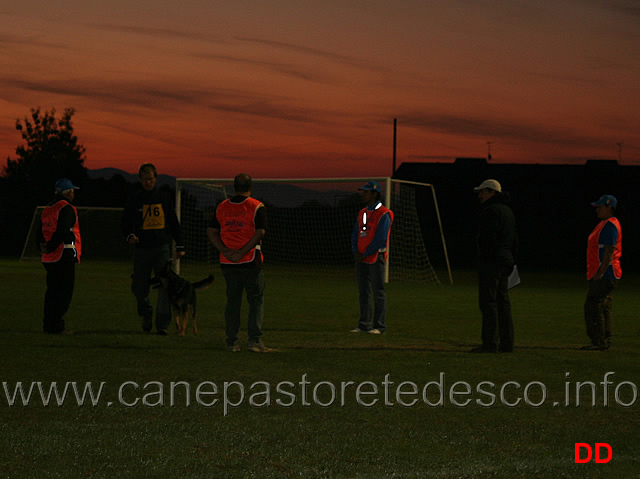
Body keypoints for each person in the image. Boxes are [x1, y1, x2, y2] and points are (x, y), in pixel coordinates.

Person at [207, 173, 270, 352]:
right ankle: (254, 341)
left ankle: (232, 341)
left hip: (228, 262)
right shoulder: (256, 206)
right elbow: (260, 232)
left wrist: (225, 250)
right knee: (256, 300)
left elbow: (211, 231)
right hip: (250, 260)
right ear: (250, 187)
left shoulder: (222, 206)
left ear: (234, 187)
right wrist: (242, 251)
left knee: (233, 301)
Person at [121, 163, 185, 335]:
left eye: (150, 179)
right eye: (144, 179)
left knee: (165, 286)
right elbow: (125, 223)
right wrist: (129, 236)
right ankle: (146, 311)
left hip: (161, 249)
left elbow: (173, 222)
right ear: (140, 180)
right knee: (139, 288)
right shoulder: (135, 199)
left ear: (155, 178)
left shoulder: (163, 198)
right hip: (142, 250)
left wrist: (179, 245)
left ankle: (162, 324)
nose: (147, 182)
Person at [471, 179, 517, 353]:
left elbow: (487, 239)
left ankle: (490, 343)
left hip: (492, 261)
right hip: (505, 260)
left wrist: (484, 257)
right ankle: (507, 342)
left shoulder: (490, 211)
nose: (480, 196)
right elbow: (514, 240)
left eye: (483, 192)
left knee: (489, 302)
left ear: (492, 192)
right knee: (503, 302)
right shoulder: (508, 211)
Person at [38, 178, 82, 334]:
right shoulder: (67, 208)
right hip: (63, 255)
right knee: (63, 293)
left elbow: (41, 231)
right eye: (72, 191)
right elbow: (63, 231)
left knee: (52, 291)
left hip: (49, 257)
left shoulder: (48, 208)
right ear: (68, 192)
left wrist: (44, 247)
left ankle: (48, 324)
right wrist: (52, 247)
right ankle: (56, 325)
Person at [350, 181, 394, 334]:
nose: (363, 194)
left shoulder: (384, 213)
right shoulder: (362, 212)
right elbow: (356, 232)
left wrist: (366, 252)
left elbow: (381, 238)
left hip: (375, 257)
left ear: (374, 194)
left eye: (366, 192)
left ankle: (379, 326)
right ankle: (364, 324)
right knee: (363, 291)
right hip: (361, 257)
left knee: (378, 291)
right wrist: (355, 251)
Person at [582, 195, 622, 351]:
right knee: (604, 306)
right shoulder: (606, 224)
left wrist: (601, 271)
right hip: (607, 272)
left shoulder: (609, 225)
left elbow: (609, 249)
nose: (597, 210)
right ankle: (604, 338)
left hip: (605, 273)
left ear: (609, 207)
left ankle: (598, 341)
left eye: (600, 207)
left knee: (594, 306)